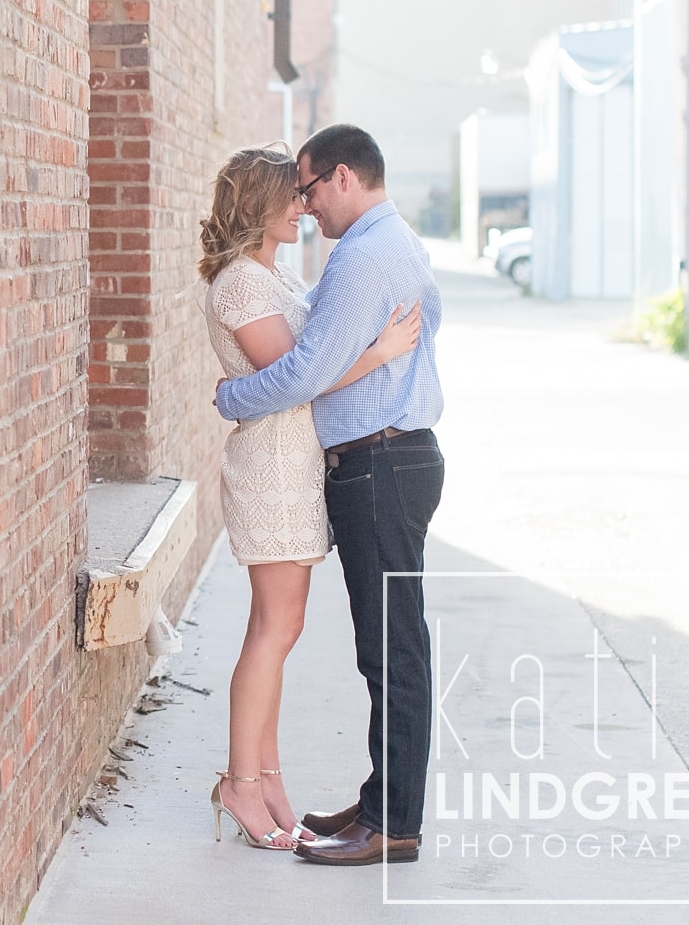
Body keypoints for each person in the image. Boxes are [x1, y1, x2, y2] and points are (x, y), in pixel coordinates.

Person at [213, 124, 445, 867]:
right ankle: (365, 802)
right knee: (367, 643)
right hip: (362, 461)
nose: (305, 208)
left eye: (308, 191)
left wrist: (232, 395)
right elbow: (332, 350)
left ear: (341, 178)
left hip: (379, 461)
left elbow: (303, 373)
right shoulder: (389, 243)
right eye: (292, 197)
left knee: (389, 649)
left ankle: (390, 821)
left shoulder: (360, 256)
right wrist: (379, 361)